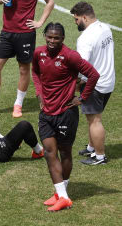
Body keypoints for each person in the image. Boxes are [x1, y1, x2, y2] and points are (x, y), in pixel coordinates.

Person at [32, 22, 99, 211]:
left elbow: (93, 74)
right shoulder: (39, 53)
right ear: (45, 35)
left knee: (64, 152)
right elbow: (35, 73)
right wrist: (39, 95)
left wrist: (82, 98)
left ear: (63, 39)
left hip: (66, 112)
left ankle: (61, 193)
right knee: (48, 152)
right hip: (46, 113)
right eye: (49, 37)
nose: (52, 41)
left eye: (57, 38)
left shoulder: (70, 56)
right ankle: (62, 196)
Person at [70, 2, 115, 165]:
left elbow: (81, 65)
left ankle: (99, 156)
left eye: (76, 20)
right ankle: (91, 147)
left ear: (84, 17)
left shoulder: (85, 38)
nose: (76, 23)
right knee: (94, 118)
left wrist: (76, 84)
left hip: (94, 84)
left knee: (94, 120)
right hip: (109, 80)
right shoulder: (105, 28)